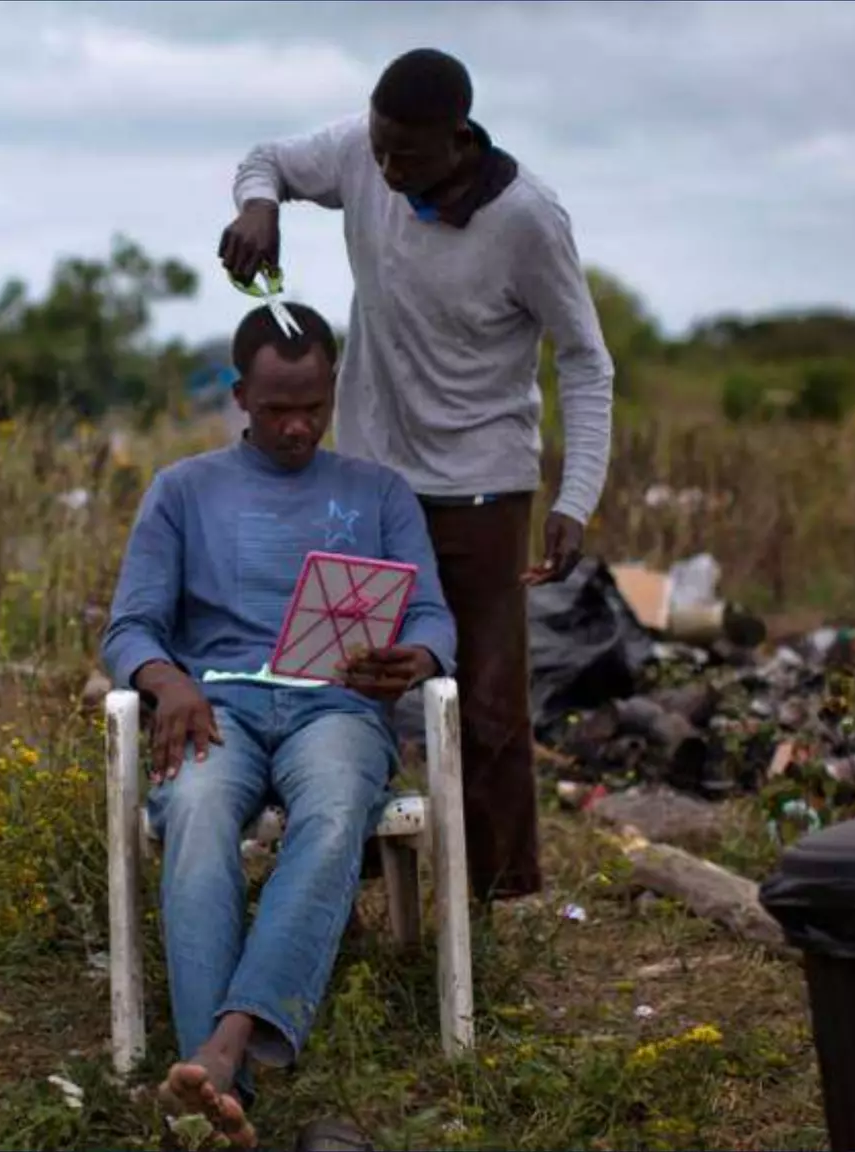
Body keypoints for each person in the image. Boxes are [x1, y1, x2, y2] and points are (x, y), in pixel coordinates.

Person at [219, 47, 616, 905]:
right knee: (343, 677)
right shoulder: (366, 151)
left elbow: (585, 361)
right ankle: (339, 874)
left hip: (482, 484)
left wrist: (575, 496)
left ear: (459, 138)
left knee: (485, 703)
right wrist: (260, 208)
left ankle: (496, 905)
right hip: (371, 479)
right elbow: (270, 160)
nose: (387, 169)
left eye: (408, 155)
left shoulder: (527, 219)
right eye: (379, 147)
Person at [100, 301, 457, 1150]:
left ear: (334, 389)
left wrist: (413, 661)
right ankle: (226, 1072)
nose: (297, 428)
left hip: (336, 705)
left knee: (335, 811)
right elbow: (129, 629)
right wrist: (167, 680)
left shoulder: (379, 491)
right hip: (214, 705)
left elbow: (436, 617)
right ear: (238, 396)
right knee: (192, 812)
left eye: (313, 408)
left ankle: (220, 1055)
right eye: (275, 410)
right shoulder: (183, 490)